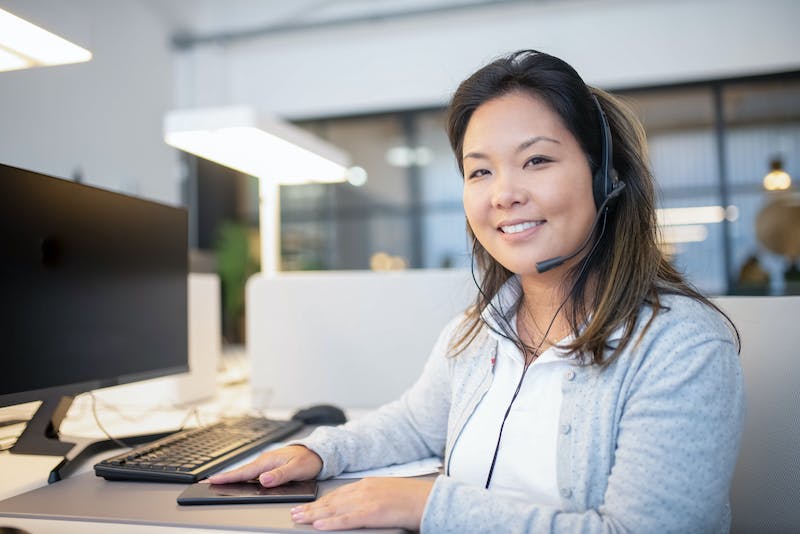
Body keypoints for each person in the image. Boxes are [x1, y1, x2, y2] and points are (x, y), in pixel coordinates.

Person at [210, 50, 745, 532]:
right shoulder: (482, 327)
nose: (504, 194)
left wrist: (426, 507)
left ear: (605, 176)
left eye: (537, 160)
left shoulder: (681, 346)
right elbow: (417, 424)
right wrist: (318, 452)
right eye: (480, 171)